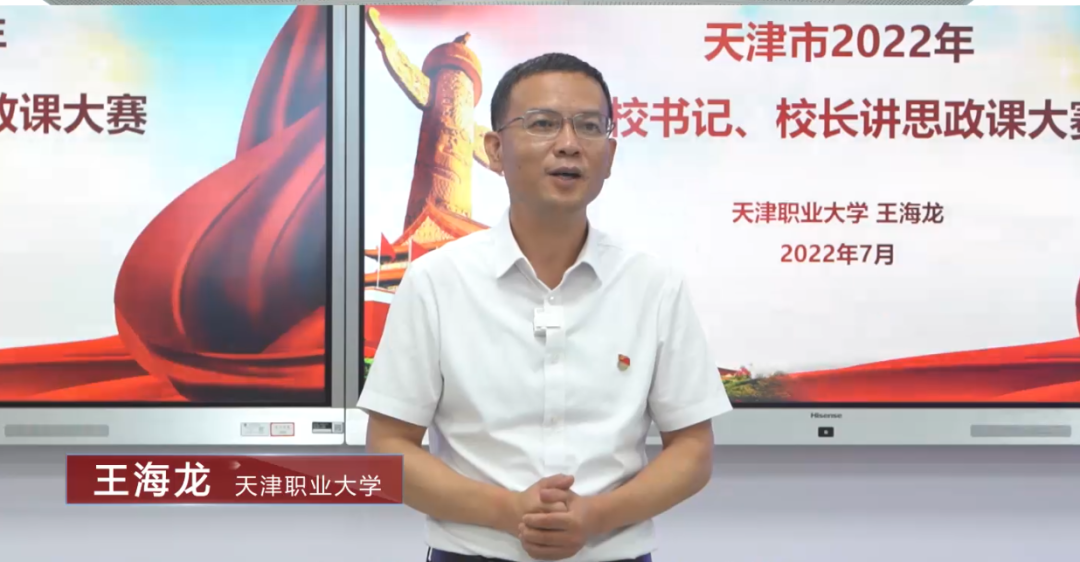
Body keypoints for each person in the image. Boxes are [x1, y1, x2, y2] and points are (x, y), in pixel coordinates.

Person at [359, 52, 732, 562]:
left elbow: (693, 450)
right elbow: (389, 447)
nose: (569, 144)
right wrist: (509, 511)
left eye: (589, 126)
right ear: (494, 149)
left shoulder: (653, 285)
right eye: (542, 124)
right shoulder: (436, 282)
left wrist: (594, 517)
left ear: (609, 155)